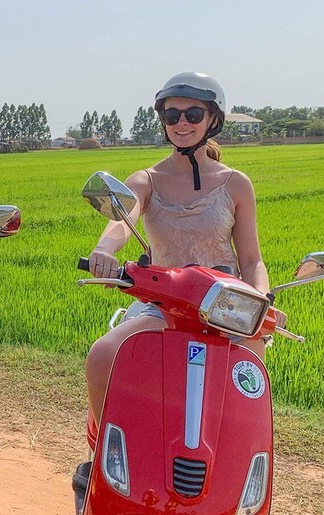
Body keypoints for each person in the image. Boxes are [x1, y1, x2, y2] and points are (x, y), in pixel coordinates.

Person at [85, 71, 287, 426]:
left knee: (249, 385)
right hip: (164, 306)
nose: (182, 123)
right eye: (172, 115)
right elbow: (122, 218)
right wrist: (104, 249)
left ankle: (245, 473)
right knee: (103, 355)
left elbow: (252, 259)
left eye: (193, 114)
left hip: (227, 311)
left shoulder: (235, 184)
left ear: (212, 120)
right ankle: (105, 455)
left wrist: (262, 301)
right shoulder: (146, 180)